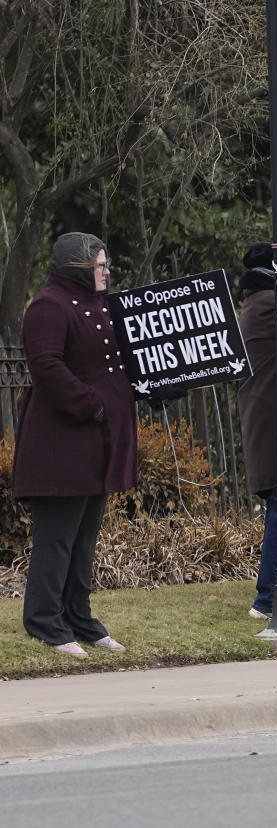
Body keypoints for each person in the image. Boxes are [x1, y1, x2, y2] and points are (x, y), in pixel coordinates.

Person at [14, 233, 136, 657]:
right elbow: (47, 366)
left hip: (94, 443)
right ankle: (45, 620)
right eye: (100, 266)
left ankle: (78, 617)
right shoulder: (49, 306)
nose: (106, 272)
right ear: (78, 268)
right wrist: (95, 406)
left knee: (84, 538)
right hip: (60, 443)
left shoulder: (99, 305)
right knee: (57, 538)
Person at [236, 242, 277, 620]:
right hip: (274, 423)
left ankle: (271, 594)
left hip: (265, 419)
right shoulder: (272, 304)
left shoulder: (255, 304)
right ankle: (266, 599)